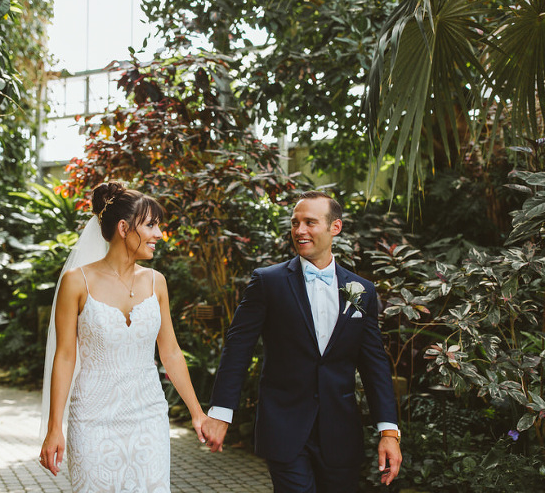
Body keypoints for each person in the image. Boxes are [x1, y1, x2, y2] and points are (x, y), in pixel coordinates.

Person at [201, 191, 402, 492]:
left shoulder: (362, 290)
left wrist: (388, 431)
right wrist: (220, 413)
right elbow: (238, 348)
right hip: (284, 427)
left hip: (340, 432)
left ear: (335, 227)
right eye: (295, 223)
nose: (299, 230)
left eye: (310, 222)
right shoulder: (268, 281)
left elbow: (374, 364)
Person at [39, 181, 208, 492]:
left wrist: (197, 413)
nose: (159, 234)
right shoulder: (77, 282)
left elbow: (170, 352)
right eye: (151, 225)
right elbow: (64, 356)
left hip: (148, 416)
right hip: (92, 418)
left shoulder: (157, 282)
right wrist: (54, 428)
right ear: (123, 228)